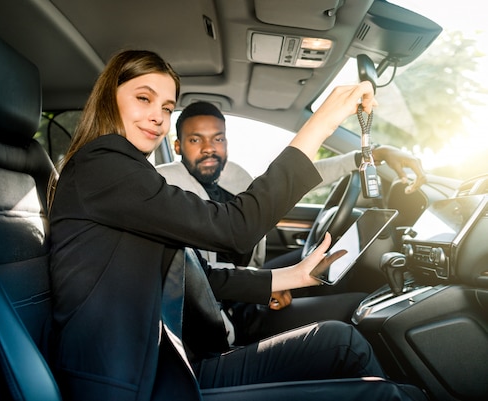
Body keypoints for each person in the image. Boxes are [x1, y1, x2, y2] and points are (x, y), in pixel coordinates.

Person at [48, 49, 424, 401]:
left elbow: (195, 275)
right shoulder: (104, 165)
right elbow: (235, 228)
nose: (158, 117)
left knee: (340, 341)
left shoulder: (125, 173)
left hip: (173, 358)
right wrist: (320, 124)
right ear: (108, 99)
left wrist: (289, 276)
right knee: (379, 393)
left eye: (166, 106)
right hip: (137, 382)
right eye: (143, 99)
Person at [156, 101, 426, 343]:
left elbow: (290, 183)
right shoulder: (167, 189)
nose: (209, 149)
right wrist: (264, 288)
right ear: (178, 146)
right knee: (359, 306)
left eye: (218, 139)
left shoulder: (231, 177)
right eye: (195, 140)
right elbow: (201, 279)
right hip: (221, 309)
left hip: (243, 281)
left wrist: (367, 156)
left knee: (327, 263)